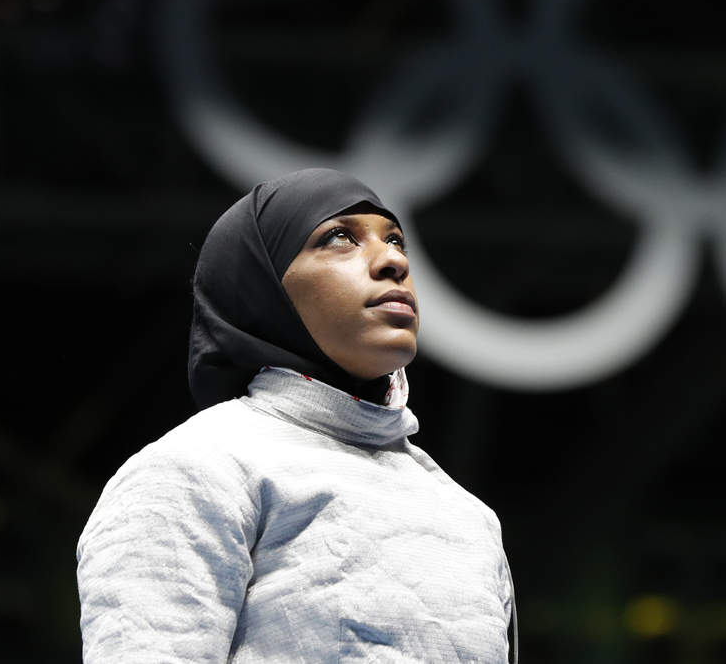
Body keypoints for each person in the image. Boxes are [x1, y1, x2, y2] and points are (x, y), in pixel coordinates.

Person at [76, 168, 517, 663]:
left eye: (396, 240)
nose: (393, 260)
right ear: (262, 287)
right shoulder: (198, 468)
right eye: (339, 238)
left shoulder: (467, 516)